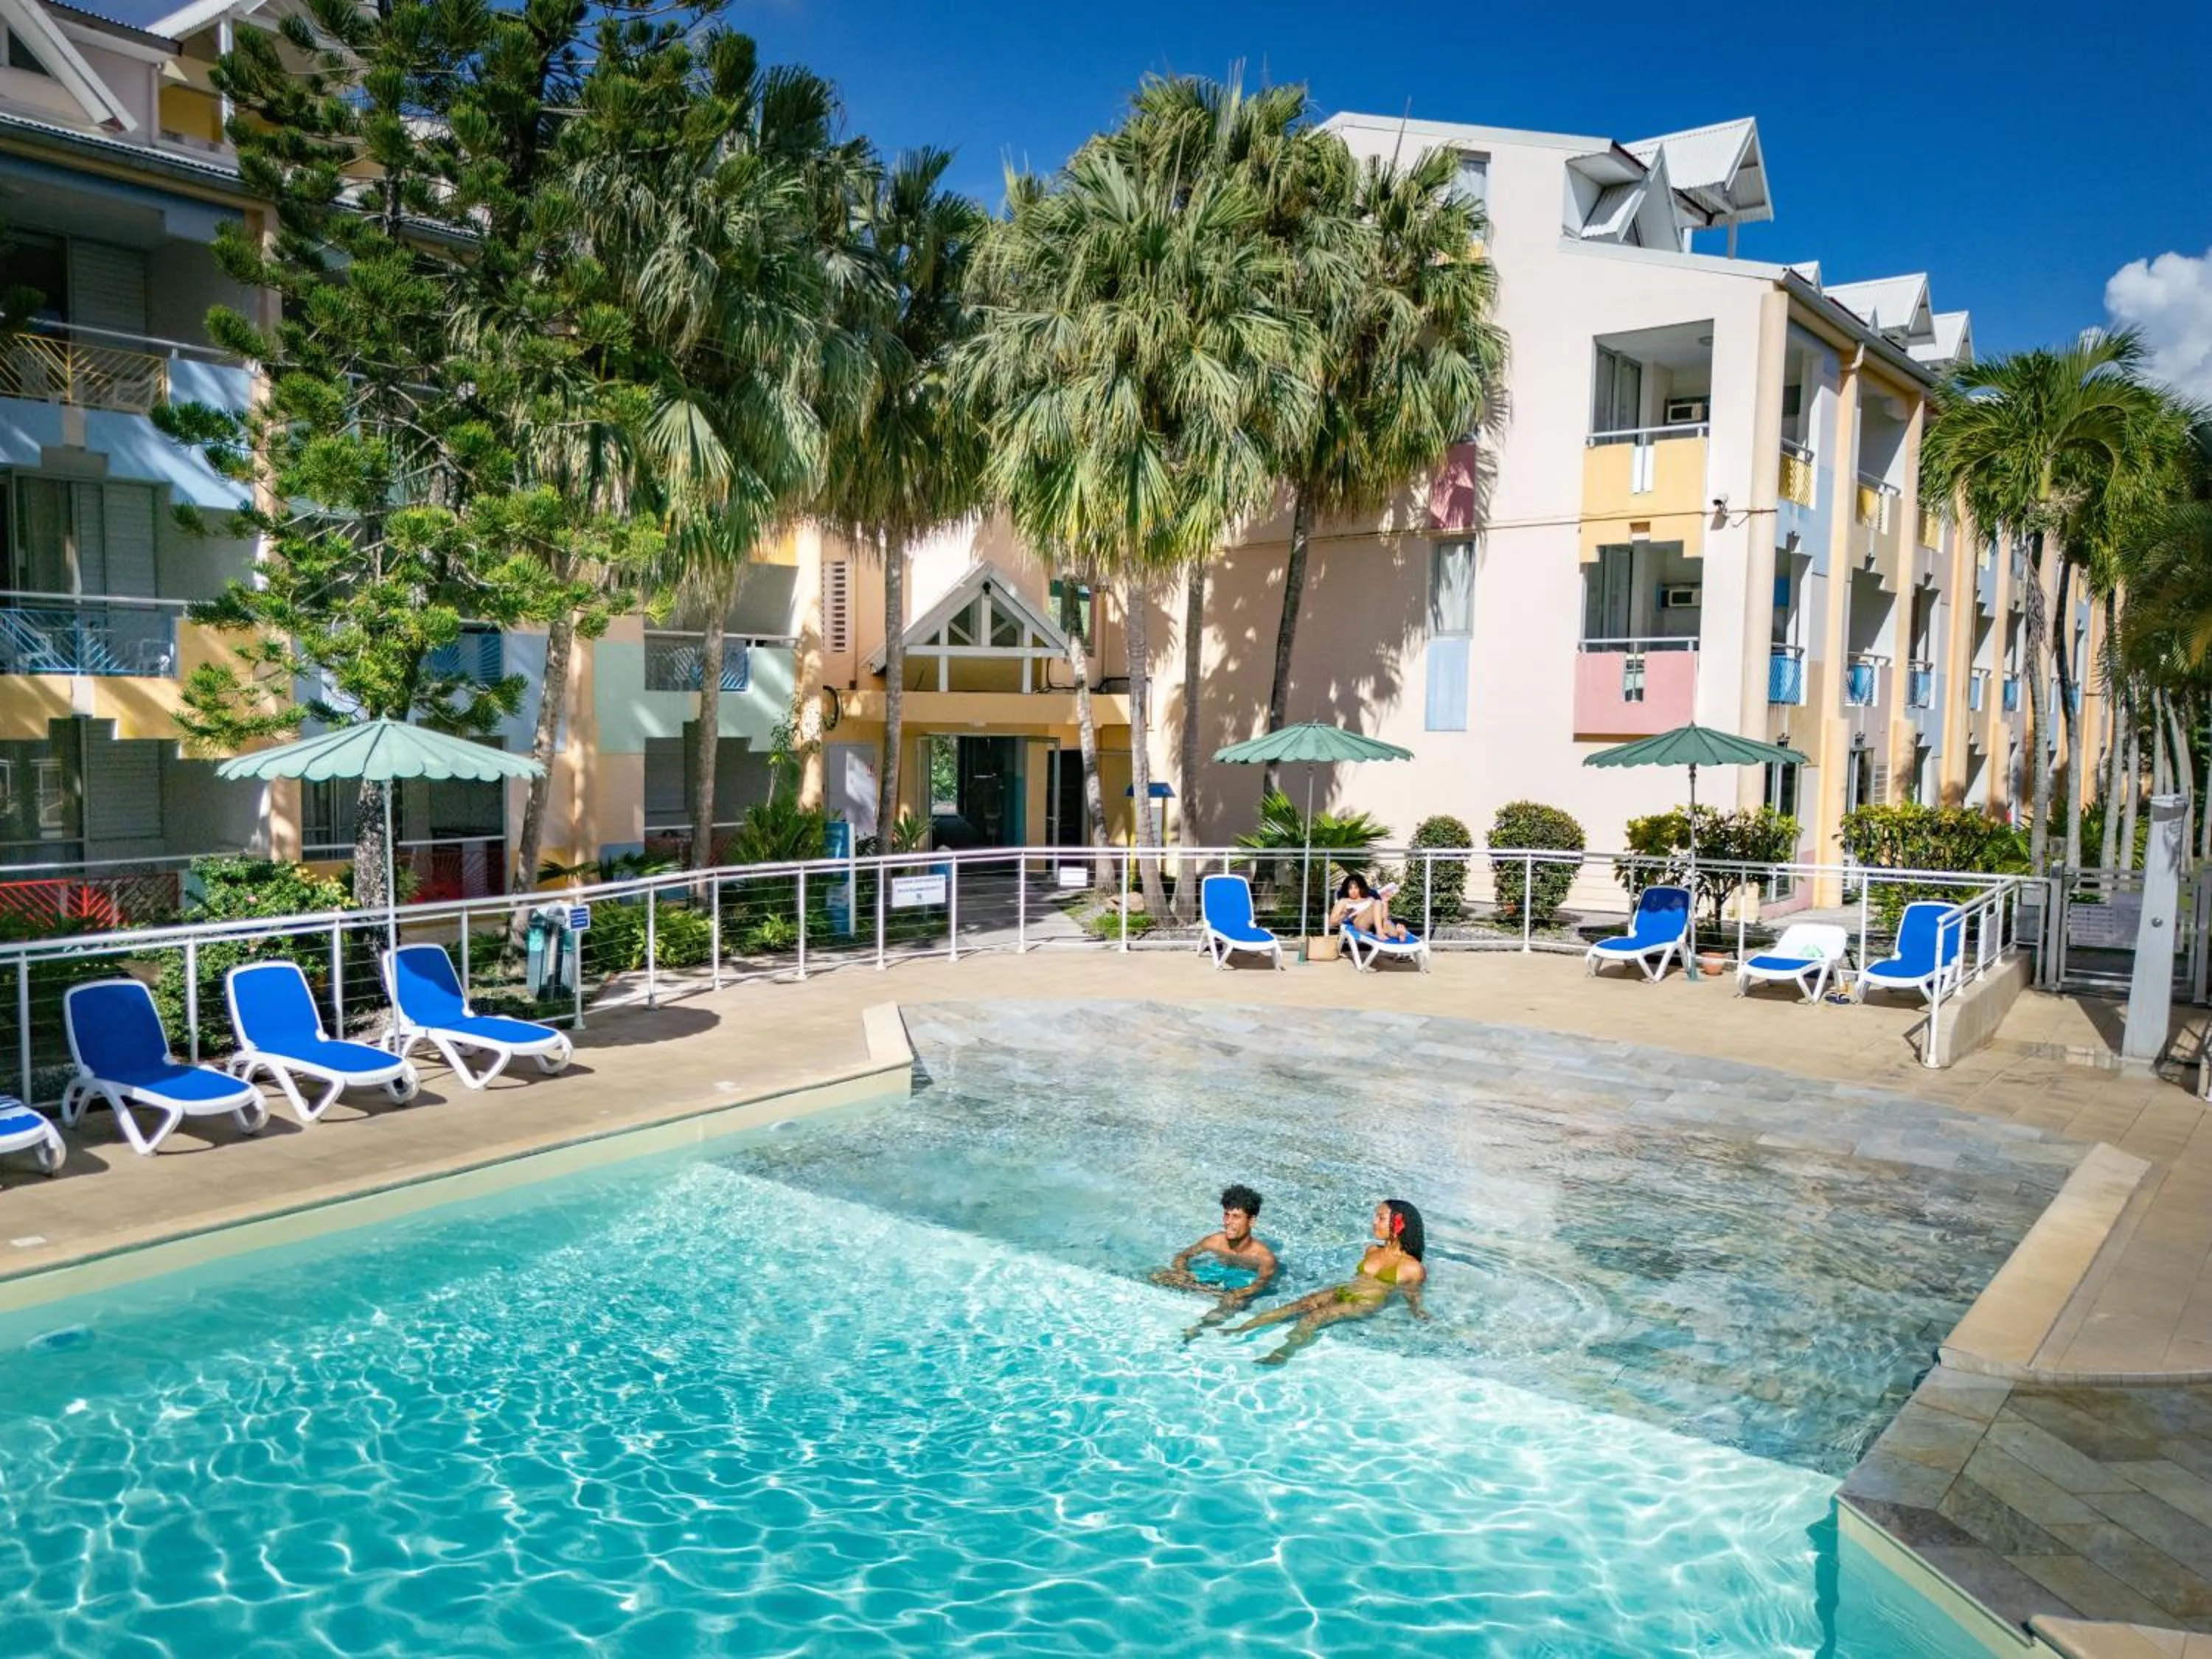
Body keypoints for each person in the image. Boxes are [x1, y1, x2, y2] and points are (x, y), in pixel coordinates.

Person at [1226, 1198, 1428, 1366]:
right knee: (1297, 1306)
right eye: (1376, 1216)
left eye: (1381, 1218)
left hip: (1365, 1304)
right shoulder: (1372, 1250)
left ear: (1399, 1224)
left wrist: (1417, 1311)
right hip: (1344, 1291)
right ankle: (1241, 1329)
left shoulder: (1412, 1268)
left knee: (1314, 1317)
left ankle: (1281, 1354)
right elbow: (1358, 1280)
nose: (1374, 1222)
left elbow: (1412, 1294)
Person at [1152, 1183, 1279, 1337]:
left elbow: (1259, 1285)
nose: (1228, 1222)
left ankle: (1198, 1328)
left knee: (1236, 1302)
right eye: (1226, 1215)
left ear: (1251, 1221)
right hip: (1216, 1274)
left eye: (1236, 1217)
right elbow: (1183, 1256)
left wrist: (1238, 1293)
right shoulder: (1214, 1241)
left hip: (1240, 1282)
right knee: (1159, 1275)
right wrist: (1182, 1272)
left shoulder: (1264, 1257)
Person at [1330, 874, 1411, 942]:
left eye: (1356, 888)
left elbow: (1384, 916)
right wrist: (1345, 914)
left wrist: (1386, 902)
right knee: (1378, 902)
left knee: (1386, 921)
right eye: (1350, 888)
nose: (1353, 891)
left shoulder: (1370, 899)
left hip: (1376, 924)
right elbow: (1332, 923)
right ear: (1346, 890)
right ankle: (1380, 932)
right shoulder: (1344, 901)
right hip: (1360, 923)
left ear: (1361, 888)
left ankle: (1399, 935)